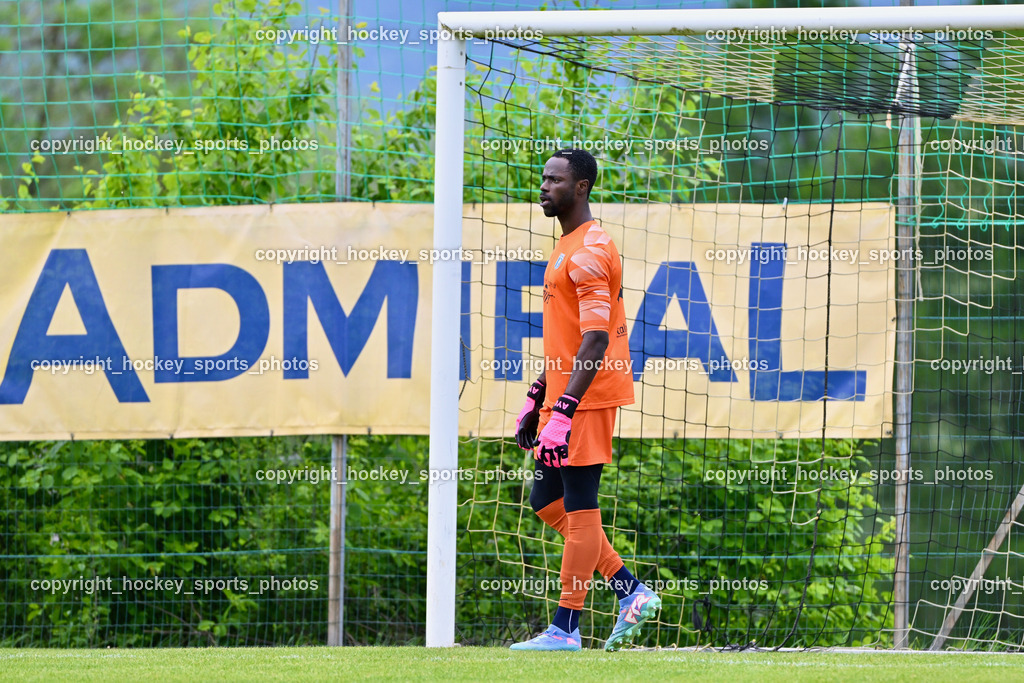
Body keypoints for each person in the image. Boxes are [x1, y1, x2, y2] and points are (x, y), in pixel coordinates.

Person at [509, 148, 660, 652]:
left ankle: (565, 627)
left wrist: (564, 411)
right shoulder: (567, 244)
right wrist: (539, 393)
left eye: (555, 180)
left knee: (579, 504)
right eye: (543, 178)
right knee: (545, 501)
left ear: (581, 187)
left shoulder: (591, 250)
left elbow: (595, 342)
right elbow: (570, 337)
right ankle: (629, 590)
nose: (544, 186)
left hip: (587, 399)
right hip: (565, 394)